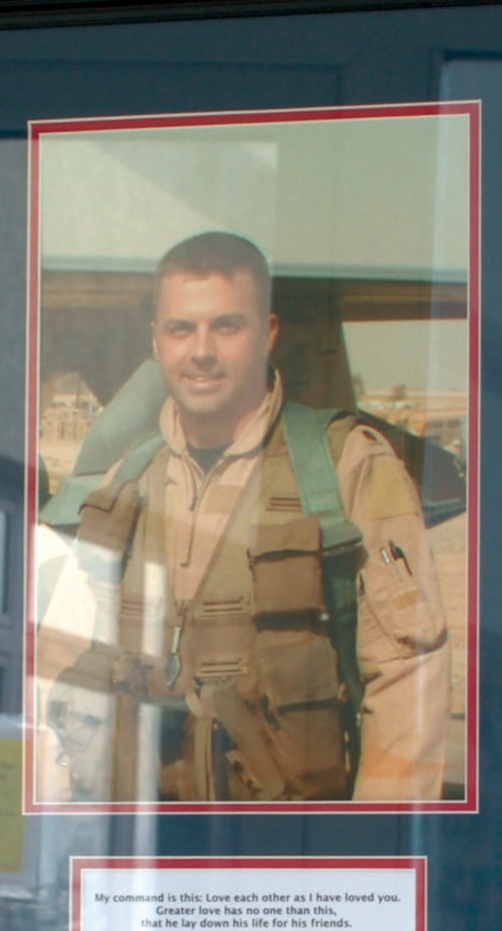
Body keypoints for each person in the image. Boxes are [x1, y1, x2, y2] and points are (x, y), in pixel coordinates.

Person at [34, 231, 450, 803]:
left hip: (290, 844)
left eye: (226, 326)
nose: (200, 350)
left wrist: (368, 851)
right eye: (181, 328)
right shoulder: (125, 484)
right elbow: (62, 673)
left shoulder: (343, 468)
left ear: (267, 335)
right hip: (144, 841)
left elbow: (408, 681)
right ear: (156, 341)